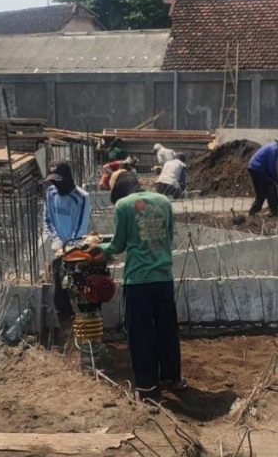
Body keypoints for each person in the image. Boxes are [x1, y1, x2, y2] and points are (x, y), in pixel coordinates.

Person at [99, 170, 183, 400]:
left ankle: (146, 386)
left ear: (118, 189)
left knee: (141, 334)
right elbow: (168, 236)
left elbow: (118, 245)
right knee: (167, 330)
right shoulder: (164, 201)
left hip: (138, 281)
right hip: (164, 277)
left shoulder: (124, 205)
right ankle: (172, 377)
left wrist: (97, 248)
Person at [43, 160, 92, 327]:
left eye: (59, 181)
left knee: (78, 285)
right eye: (53, 181)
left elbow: (81, 228)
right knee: (59, 289)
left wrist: (68, 247)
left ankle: (86, 321)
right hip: (58, 248)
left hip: (75, 250)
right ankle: (66, 325)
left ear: (67, 179)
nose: (56, 184)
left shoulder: (81, 197)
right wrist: (56, 240)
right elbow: (47, 220)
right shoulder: (50, 193)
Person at [247, 138, 278, 217]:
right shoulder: (274, 149)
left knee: (261, 192)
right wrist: (277, 180)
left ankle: (253, 212)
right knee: (271, 187)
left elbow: (269, 168)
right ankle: (276, 211)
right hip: (257, 169)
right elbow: (271, 167)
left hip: (254, 168)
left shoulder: (273, 146)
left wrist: (275, 179)